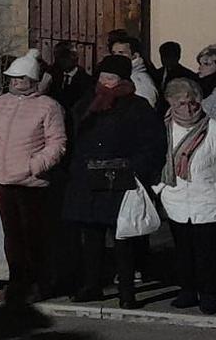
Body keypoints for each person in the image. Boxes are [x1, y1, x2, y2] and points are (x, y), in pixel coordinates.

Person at [61, 55, 166, 307]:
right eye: (103, 77)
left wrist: (133, 169)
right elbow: (75, 137)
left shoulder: (137, 107)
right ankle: (92, 284)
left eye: (111, 78)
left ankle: (126, 291)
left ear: (123, 80)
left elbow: (152, 144)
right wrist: (77, 167)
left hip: (119, 178)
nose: (105, 82)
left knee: (123, 238)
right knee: (91, 236)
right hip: (87, 177)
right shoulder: (87, 103)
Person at [0, 53, 67, 307]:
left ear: (33, 79)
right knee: (11, 235)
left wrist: (34, 166)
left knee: (34, 235)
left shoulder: (48, 106)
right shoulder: (0, 103)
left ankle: (37, 283)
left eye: (21, 78)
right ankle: (15, 282)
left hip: (31, 182)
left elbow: (57, 142)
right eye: (13, 78)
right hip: (2, 178)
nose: (16, 82)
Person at [155, 77, 216, 313]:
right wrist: (161, 190)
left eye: (192, 103)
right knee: (183, 249)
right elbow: (157, 161)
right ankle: (187, 289)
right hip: (176, 197)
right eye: (181, 103)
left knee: (207, 252)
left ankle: (209, 293)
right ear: (170, 103)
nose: (188, 108)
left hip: (207, 198)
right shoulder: (165, 129)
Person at [47, 42, 91, 115]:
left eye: (66, 57)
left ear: (76, 58)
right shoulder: (52, 77)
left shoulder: (86, 80)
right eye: (59, 57)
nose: (62, 61)